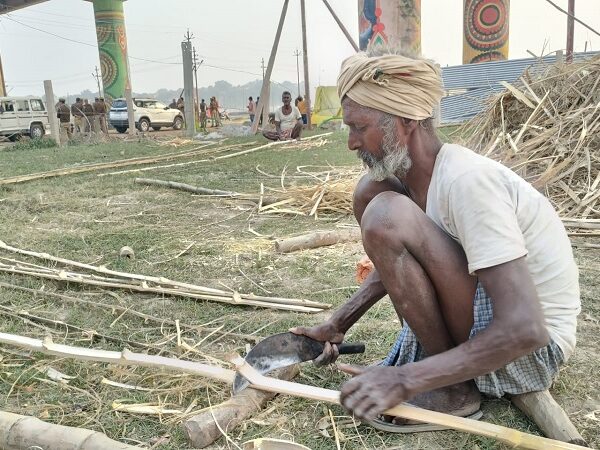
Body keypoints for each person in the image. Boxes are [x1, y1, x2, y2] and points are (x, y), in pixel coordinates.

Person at [290, 47, 580, 431]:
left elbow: (526, 328)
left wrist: (407, 379)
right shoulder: (415, 180)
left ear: (406, 120)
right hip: (489, 323)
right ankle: (440, 367)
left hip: (531, 351)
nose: (352, 143)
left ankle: (454, 390)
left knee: (384, 214)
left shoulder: (466, 182)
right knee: (371, 193)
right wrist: (338, 322)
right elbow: (407, 262)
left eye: (359, 127)